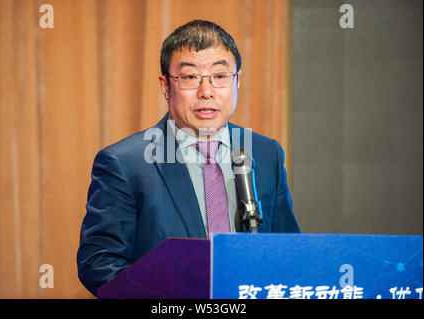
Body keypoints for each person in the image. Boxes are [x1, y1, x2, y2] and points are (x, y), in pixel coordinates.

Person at [77, 19, 300, 296]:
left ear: (237, 82)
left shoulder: (266, 153)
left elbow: (288, 250)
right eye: (190, 77)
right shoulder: (125, 163)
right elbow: (98, 263)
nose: (206, 92)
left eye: (220, 76)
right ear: (165, 86)